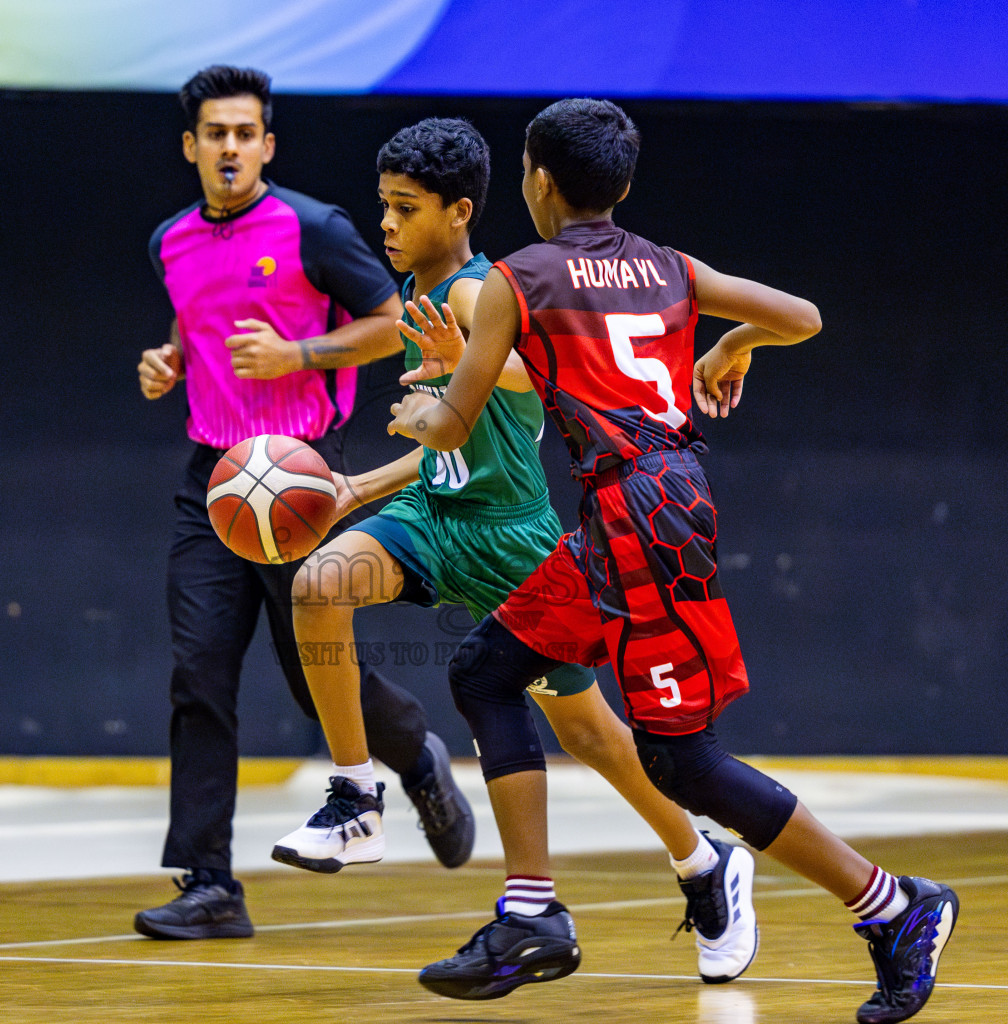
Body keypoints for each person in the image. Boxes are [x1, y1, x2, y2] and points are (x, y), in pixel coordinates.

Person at [390, 99, 958, 1024]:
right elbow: (804, 316)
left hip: (641, 516)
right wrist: (734, 342)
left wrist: (426, 409)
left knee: (682, 758)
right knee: (486, 670)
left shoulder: (519, 275)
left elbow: (452, 422)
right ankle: (531, 914)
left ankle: (893, 908)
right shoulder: (667, 266)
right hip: (641, 509)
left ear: (535, 179)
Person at [269, 117, 758, 986]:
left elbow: (540, 379)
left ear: (459, 214)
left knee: (597, 737)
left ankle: (703, 859)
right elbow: (443, 443)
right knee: (318, 584)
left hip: (510, 536)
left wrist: (475, 371)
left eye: (404, 208)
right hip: (434, 512)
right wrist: (360, 489)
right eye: (382, 204)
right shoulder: (430, 295)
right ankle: (356, 796)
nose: (386, 223)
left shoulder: (480, 291)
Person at [131, 65, 473, 942]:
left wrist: (301, 355)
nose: (231, 147)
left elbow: (393, 319)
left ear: (267, 144)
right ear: (191, 147)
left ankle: (416, 756)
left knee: (312, 671)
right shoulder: (170, 238)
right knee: (198, 672)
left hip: (302, 471)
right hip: (209, 479)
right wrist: (168, 362)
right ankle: (208, 883)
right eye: (216, 134)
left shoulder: (312, 226)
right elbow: (193, 325)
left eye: (246, 133)